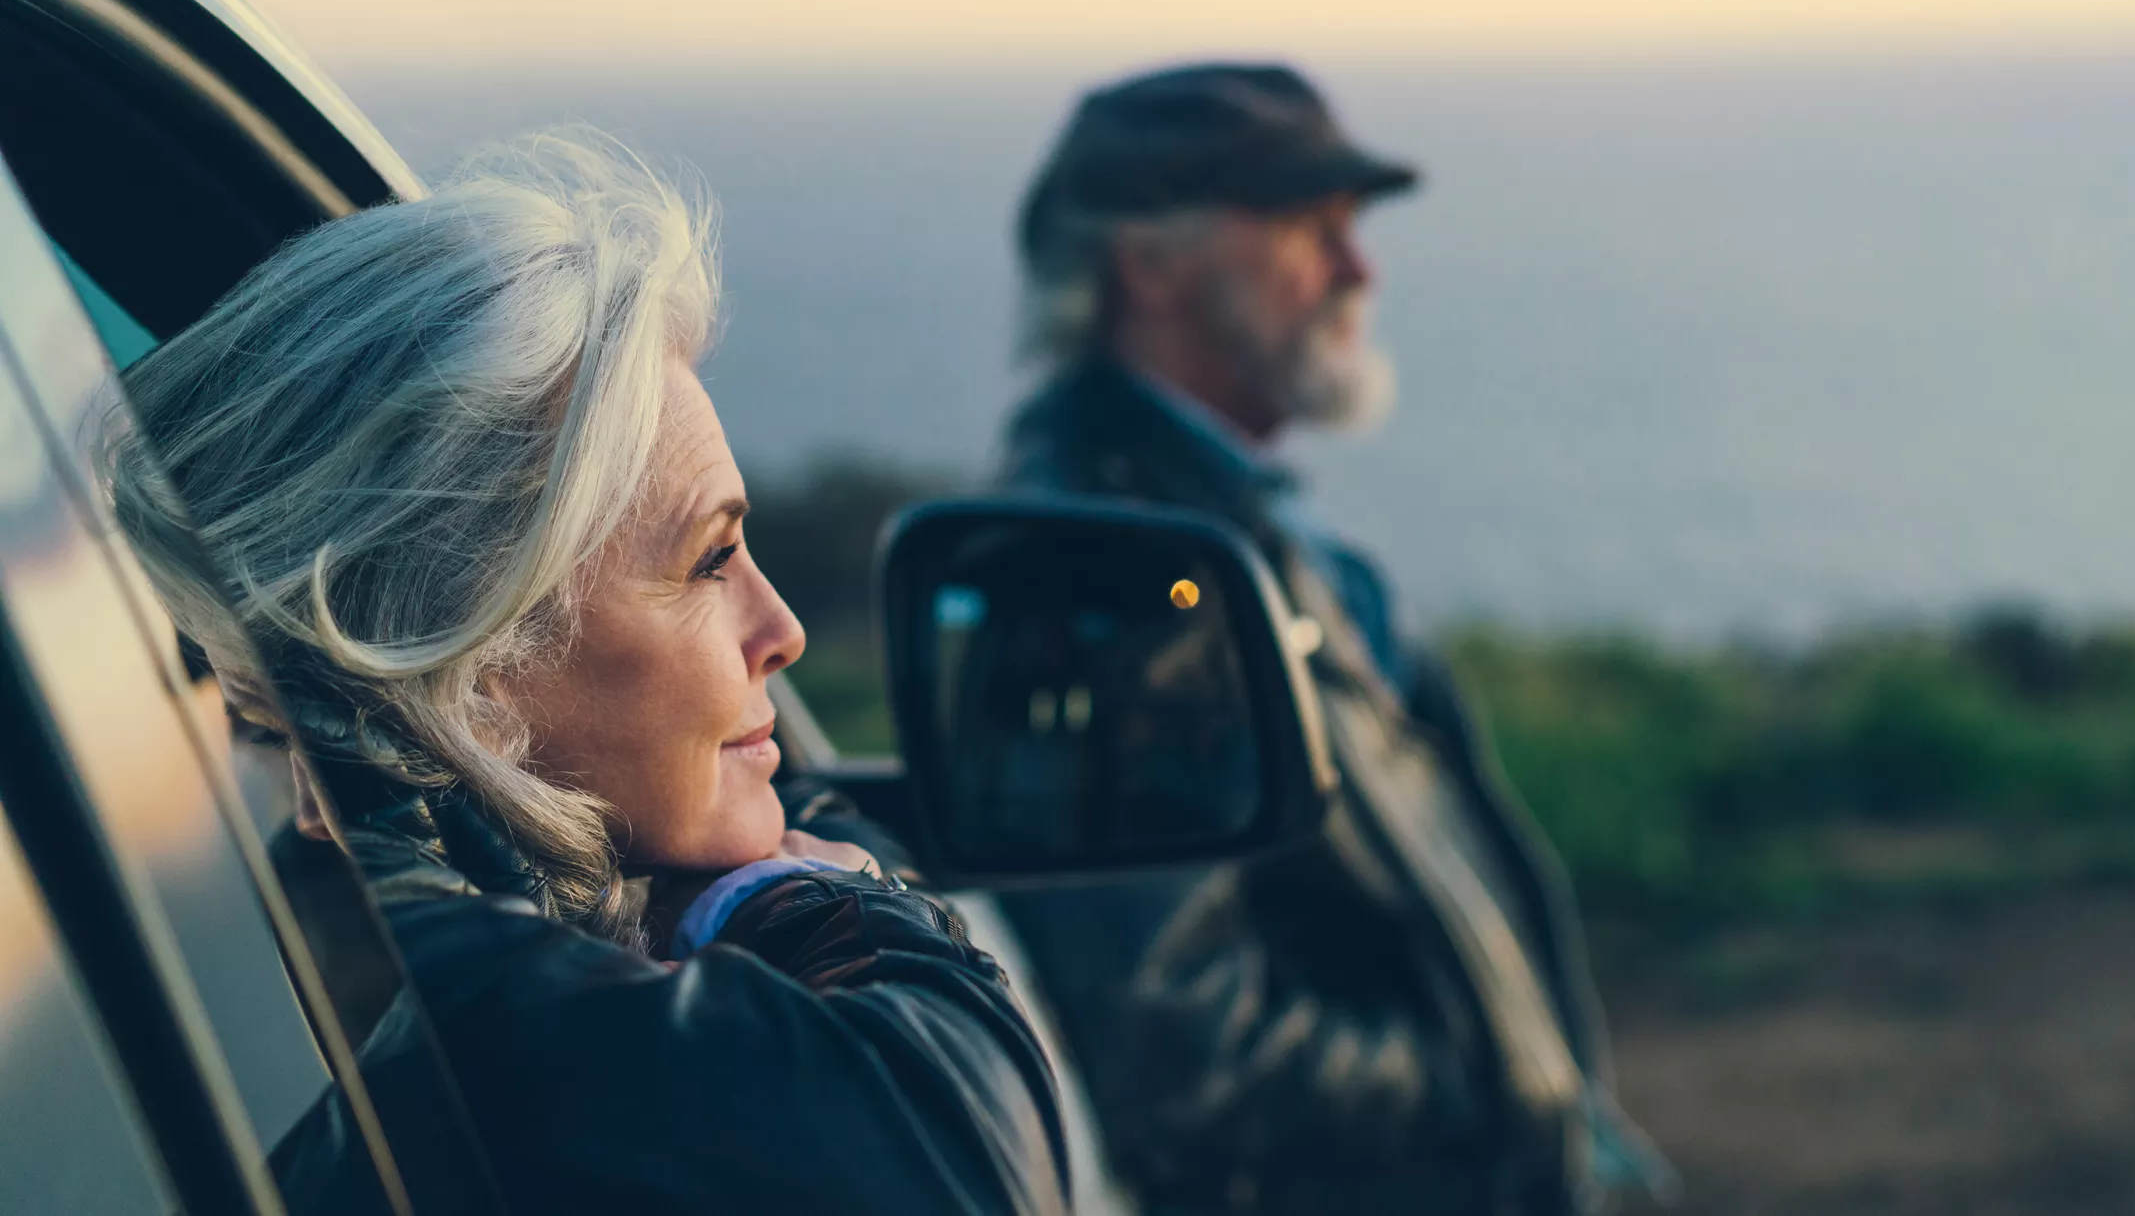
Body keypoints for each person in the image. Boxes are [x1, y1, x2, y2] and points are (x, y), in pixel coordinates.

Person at [102, 132, 1068, 1215]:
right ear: (474, 670)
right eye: (709, 559)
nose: (783, 627)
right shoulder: (502, 1072)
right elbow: (944, 1165)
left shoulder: (240, 970)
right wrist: (805, 899)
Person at [993, 63, 1671, 1214]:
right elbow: (1183, 1054)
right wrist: (1495, 1092)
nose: (1360, 269)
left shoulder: (1221, 528)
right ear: (1148, 263)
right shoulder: (1097, 577)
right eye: (1311, 229)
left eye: (1351, 229)